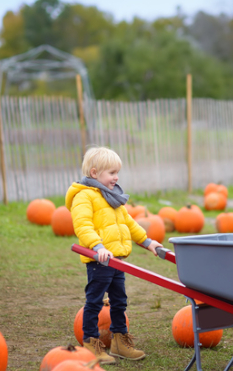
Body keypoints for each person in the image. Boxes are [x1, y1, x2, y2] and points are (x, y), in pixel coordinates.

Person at [66, 146, 163, 364]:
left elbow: (128, 223)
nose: (116, 177)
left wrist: (148, 242)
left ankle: (120, 342)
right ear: (94, 173)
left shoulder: (112, 197)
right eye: (111, 173)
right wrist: (97, 246)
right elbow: (82, 225)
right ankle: (91, 342)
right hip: (99, 261)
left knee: (119, 301)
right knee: (95, 302)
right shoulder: (84, 196)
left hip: (117, 261)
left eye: (117, 172)